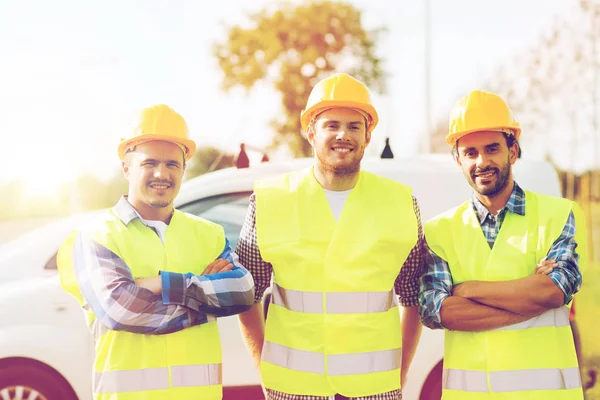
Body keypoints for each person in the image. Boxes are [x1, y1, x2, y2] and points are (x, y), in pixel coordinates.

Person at [236, 73, 425, 400]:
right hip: (292, 391)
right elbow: (245, 296)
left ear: (367, 137)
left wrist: (400, 374)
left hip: (375, 391)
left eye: (354, 126)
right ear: (311, 132)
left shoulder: (401, 204)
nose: (343, 135)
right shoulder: (270, 201)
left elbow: (413, 299)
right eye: (331, 125)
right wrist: (265, 372)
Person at [57, 104, 255, 400]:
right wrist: (208, 298)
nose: (161, 173)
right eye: (149, 163)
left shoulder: (208, 234)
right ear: (127, 167)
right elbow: (123, 309)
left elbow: (242, 292)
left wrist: (160, 284)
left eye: (172, 164)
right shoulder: (97, 236)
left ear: (184, 169)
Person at [418, 90, 587, 399]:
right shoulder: (438, 231)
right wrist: (530, 298)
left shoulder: (560, 215)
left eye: (492, 148)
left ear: (512, 151)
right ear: (458, 159)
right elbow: (436, 311)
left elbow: (554, 290)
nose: (482, 161)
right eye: (470, 152)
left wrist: (467, 290)